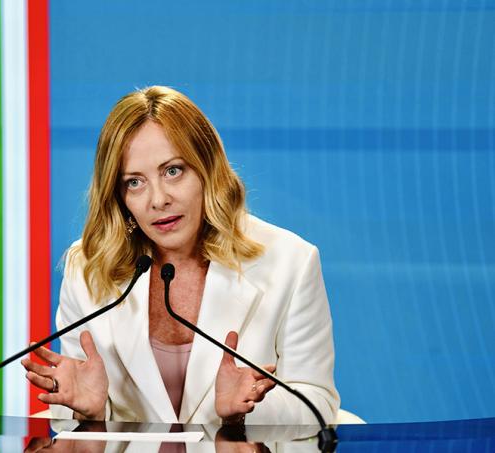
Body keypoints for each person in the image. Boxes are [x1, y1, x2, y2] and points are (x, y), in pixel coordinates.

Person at [21, 86, 340, 425]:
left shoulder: (290, 262)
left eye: (172, 171)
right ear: (118, 196)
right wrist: (91, 411)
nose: (158, 200)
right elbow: (74, 411)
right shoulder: (88, 266)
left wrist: (249, 409)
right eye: (134, 182)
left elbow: (317, 401)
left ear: (207, 168)